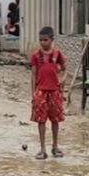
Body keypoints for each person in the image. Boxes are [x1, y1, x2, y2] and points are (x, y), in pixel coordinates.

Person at [30, 26, 66, 159]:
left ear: (51, 40)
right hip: (40, 91)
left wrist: (63, 79)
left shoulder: (57, 54)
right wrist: (33, 93)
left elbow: (64, 69)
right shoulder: (35, 55)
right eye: (40, 40)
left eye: (45, 40)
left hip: (55, 91)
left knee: (55, 120)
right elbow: (33, 75)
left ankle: (55, 146)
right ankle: (42, 148)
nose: (42, 42)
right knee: (41, 120)